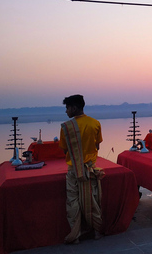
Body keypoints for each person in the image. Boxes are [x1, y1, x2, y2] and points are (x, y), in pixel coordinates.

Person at [59, 94, 104, 244]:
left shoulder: (66, 127)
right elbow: (97, 146)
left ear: (74, 107)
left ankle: (75, 235)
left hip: (73, 170)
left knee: (73, 201)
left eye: (67, 108)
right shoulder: (95, 123)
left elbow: (65, 151)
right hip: (90, 169)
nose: (66, 111)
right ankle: (97, 232)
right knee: (92, 200)